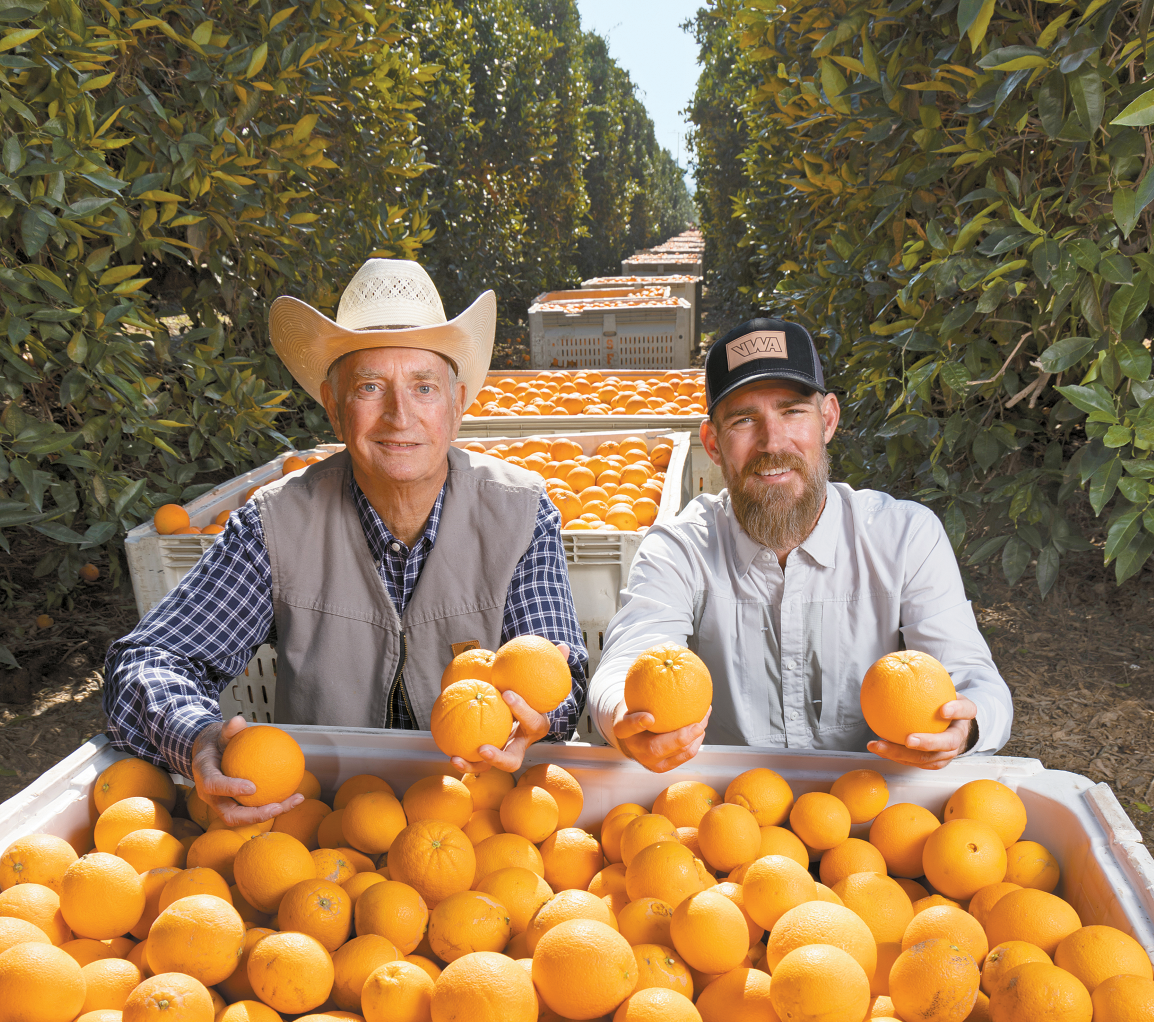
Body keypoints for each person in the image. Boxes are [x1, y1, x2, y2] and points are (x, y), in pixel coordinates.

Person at [104, 260, 587, 825]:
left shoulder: (519, 511)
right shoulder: (276, 523)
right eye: (370, 387)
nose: (399, 415)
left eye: (423, 387)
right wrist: (198, 737)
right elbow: (150, 660)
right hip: (317, 820)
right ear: (334, 407)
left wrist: (542, 714)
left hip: (476, 819)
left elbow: (558, 667)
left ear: (457, 405)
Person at [589, 317, 1012, 774]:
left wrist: (964, 728)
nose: (773, 443)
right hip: (730, 806)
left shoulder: (905, 537)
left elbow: (974, 679)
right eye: (744, 419)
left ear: (827, 419)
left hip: (875, 799)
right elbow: (629, 660)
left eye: (792, 412)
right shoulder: (679, 549)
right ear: (712, 444)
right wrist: (625, 717)